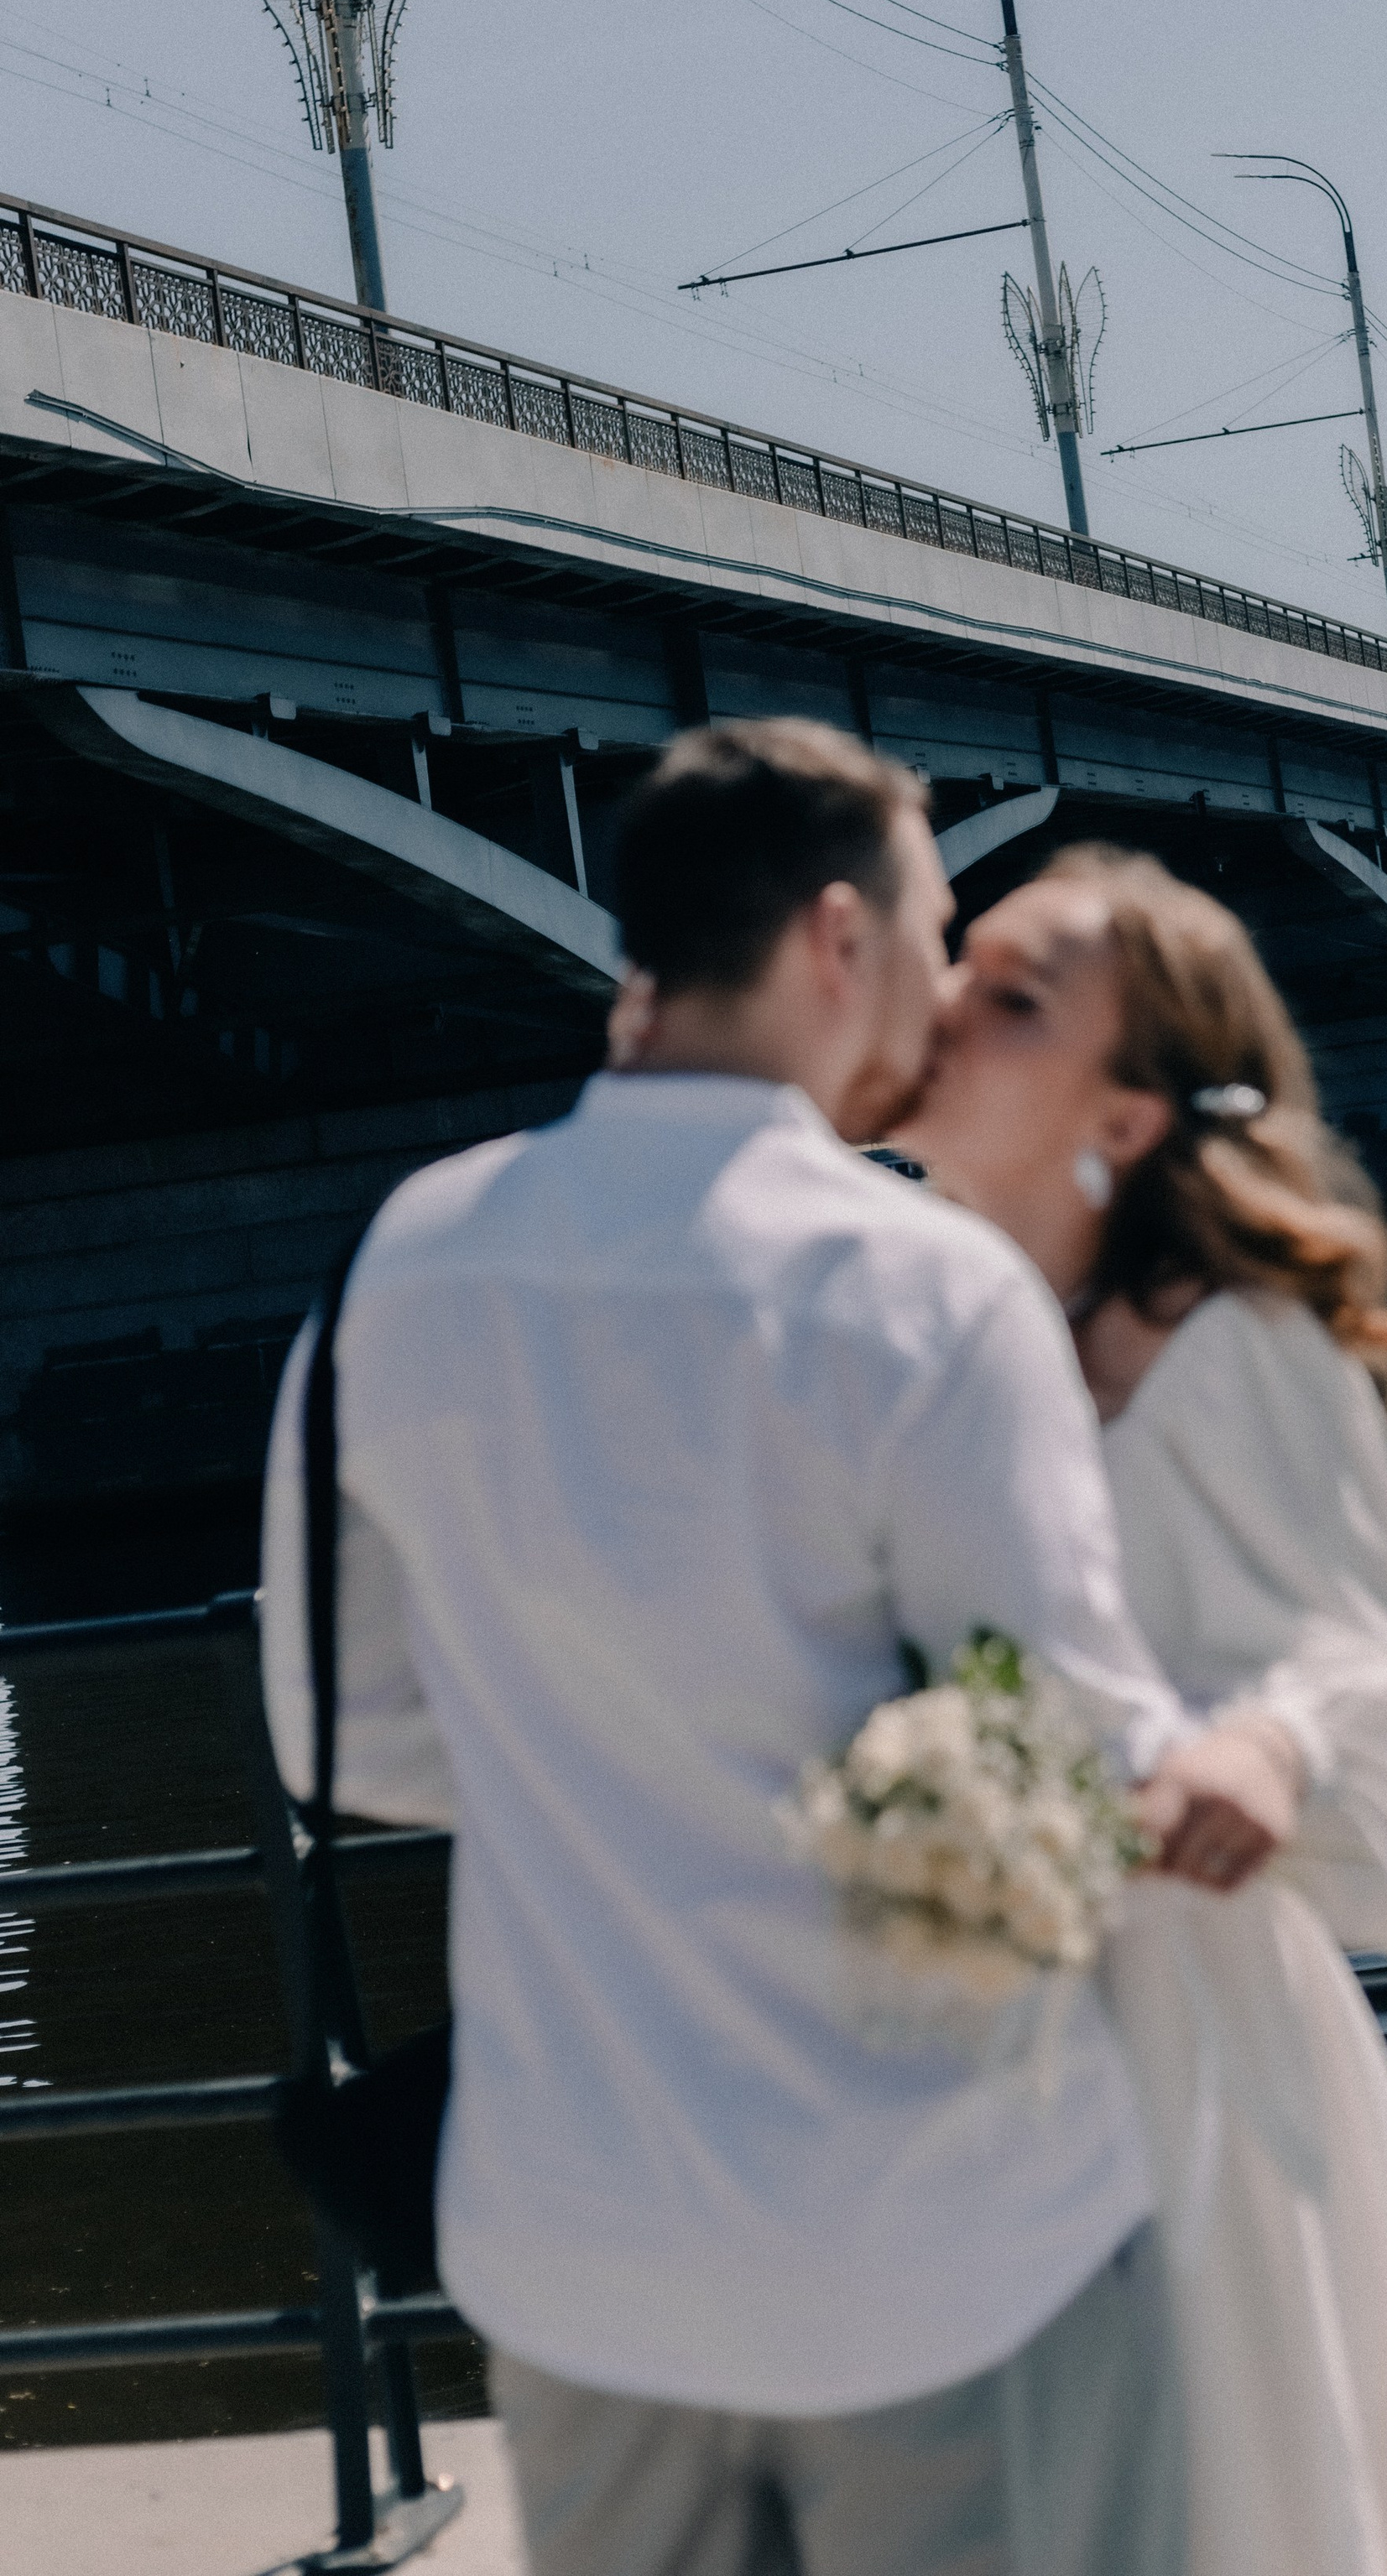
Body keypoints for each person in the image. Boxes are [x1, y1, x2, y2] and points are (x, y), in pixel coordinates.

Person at [260, 723, 1290, 2576]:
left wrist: (616, 1746)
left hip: (578, 2247)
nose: (941, 982)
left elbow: (343, 1736)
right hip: (937, 2237)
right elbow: (1069, 1743)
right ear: (834, 939)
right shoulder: (915, 1283)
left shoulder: (389, 1273)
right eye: (930, 928)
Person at [890, 843, 1387, 2576]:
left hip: (1183, 2028)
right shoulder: (911, 1336)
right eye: (957, 967)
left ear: (1118, 1119)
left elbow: (1378, 1674)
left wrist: (1270, 1741)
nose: (945, 1007)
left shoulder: (1232, 1345)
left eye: (1010, 1000)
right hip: (955, 2042)